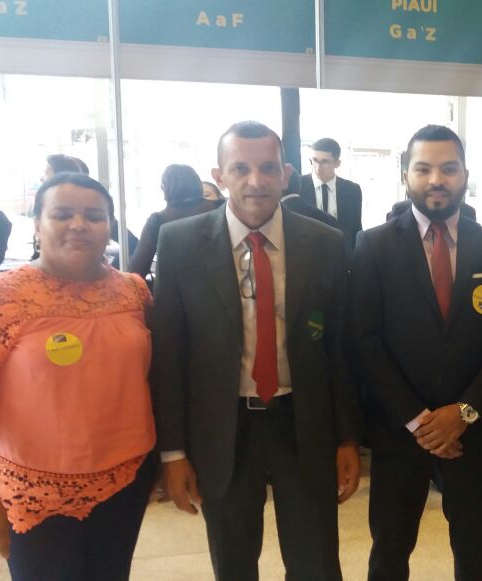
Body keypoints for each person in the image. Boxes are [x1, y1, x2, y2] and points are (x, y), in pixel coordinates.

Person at [151, 121, 362, 581]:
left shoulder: (325, 243)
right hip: (223, 429)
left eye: (268, 168)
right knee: (233, 564)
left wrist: (348, 437)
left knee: (317, 565)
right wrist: (173, 452)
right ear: (219, 176)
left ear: (286, 174)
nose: (256, 180)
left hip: (303, 424)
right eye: (240, 168)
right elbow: (169, 356)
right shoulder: (180, 243)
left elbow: (340, 349)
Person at [0, 172, 156, 579]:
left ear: (109, 227)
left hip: (125, 481)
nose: (79, 224)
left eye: (93, 216)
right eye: (62, 214)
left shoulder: (134, 292)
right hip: (33, 493)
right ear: (37, 225)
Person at [351, 124, 482, 581]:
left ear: (465, 174)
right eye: (423, 168)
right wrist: (419, 421)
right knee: (389, 553)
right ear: (405, 175)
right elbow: (365, 343)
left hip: (472, 434)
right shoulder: (373, 246)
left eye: (448, 169)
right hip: (398, 434)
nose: (436, 180)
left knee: (475, 552)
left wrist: (463, 413)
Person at [128, 164, 219, 279]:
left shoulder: (157, 221)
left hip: (174, 289)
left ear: (164, 188)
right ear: (198, 185)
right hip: (223, 286)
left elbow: (136, 271)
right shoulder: (220, 208)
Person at [299, 137, 363, 254]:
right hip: (306, 253)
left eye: (324, 162)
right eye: (314, 160)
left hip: (340, 254)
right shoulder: (299, 186)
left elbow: (355, 228)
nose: (318, 167)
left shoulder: (352, 190)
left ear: (337, 163)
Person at [387, 198, 476, 222]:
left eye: (449, 170)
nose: (436, 181)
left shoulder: (467, 212)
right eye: (424, 170)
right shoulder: (400, 210)